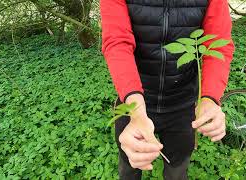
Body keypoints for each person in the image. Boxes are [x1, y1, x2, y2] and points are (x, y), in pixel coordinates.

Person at [100, 0, 235, 179]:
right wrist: (136, 109)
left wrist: (209, 98)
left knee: (177, 172)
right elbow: (117, 42)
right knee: (129, 168)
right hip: (133, 104)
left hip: (182, 105)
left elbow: (218, 43)